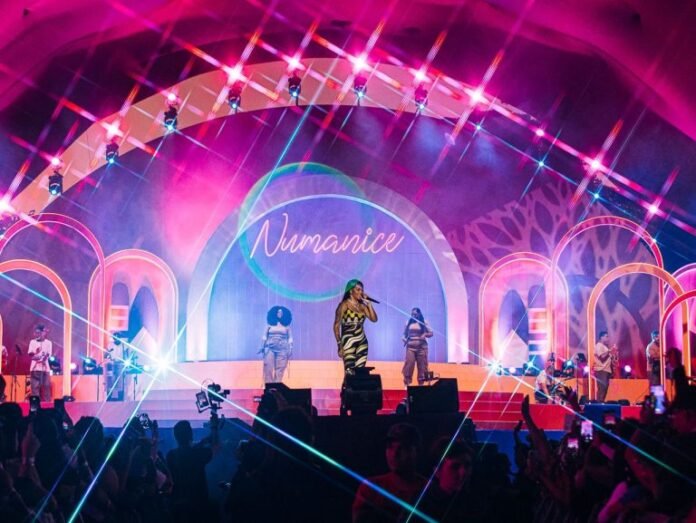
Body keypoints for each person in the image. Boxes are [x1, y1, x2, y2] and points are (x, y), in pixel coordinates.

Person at [352, 423, 426, 522]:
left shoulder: (428, 490)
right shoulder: (371, 488)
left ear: (417, 451)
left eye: (402, 447)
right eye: (390, 447)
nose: (394, 454)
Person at [333, 279, 377, 375]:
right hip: (348, 342)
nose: (361, 292)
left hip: (362, 342)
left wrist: (369, 304)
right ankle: (347, 385)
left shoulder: (363, 306)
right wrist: (339, 345)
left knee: (360, 373)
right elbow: (336, 326)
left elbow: (374, 319)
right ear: (350, 291)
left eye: (362, 290)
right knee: (350, 372)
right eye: (358, 290)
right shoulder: (344, 305)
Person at [261, 306, 293, 384]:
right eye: (278, 312)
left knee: (280, 369)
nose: (280, 314)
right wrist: (262, 347)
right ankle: (269, 386)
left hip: (282, 349)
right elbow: (264, 337)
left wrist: (290, 348)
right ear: (274, 313)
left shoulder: (287, 327)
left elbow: (290, 338)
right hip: (270, 348)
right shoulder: (269, 326)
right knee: (268, 367)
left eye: (281, 312)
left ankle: (277, 387)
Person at [401, 307, 433, 387]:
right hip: (410, 347)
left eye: (415, 314)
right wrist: (404, 339)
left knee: (422, 367)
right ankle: (407, 384)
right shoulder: (408, 322)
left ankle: (421, 385)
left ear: (419, 314)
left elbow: (431, 333)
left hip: (421, 347)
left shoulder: (424, 322)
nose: (414, 316)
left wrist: (425, 334)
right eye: (412, 314)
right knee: (409, 365)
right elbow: (404, 334)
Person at [27, 324, 52, 401]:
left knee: (46, 387)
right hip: (35, 369)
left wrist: (43, 358)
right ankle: (36, 405)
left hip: (45, 369)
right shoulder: (32, 342)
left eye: (43, 332)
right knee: (35, 389)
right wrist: (36, 353)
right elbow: (31, 355)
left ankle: (47, 405)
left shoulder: (48, 343)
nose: (40, 334)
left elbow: (48, 355)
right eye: (37, 332)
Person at [593, 330, 616, 402]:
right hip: (601, 370)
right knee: (602, 388)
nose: (608, 338)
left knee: (605, 388)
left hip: (606, 370)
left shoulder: (605, 347)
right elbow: (602, 357)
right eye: (606, 336)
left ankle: (601, 403)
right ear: (601, 337)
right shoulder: (599, 346)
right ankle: (599, 404)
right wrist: (610, 351)